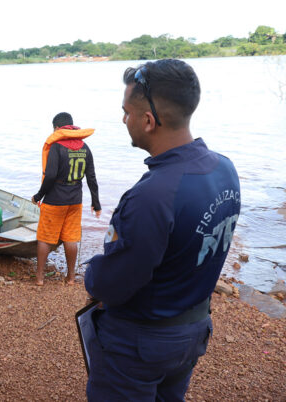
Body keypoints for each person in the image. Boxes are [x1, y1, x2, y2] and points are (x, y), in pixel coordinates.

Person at [84, 59, 241, 401]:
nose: (124, 120)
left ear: (148, 120)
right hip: (192, 329)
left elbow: (113, 284)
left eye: (126, 112)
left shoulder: (152, 195)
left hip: (141, 343)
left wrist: (92, 272)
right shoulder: (224, 169)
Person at [31, 112, 101, 286]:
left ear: (57, 128)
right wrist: (96, 203)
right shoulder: (85, 147)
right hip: (75, 200)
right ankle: (70, 278)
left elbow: (50, 176)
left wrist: (38, 196)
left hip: (55, 200)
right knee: (70, 238)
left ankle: (39, 278)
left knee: (45, 238)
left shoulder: (56, 147)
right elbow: (91, 177)